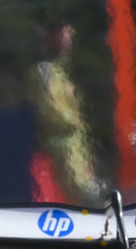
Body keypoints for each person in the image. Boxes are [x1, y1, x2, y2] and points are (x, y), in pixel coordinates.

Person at [31, 23, 103, 203]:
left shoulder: (62, 72)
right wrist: (74, 121)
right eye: (64, 36)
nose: (68, 42)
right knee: (83, 196)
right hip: (60, 144)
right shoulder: (44, 71)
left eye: (70, 36)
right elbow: (50, 109)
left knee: (89, 191)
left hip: (75, 147)